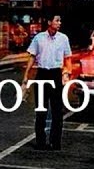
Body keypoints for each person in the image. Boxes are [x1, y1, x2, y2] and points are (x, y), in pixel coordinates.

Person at [24, 14, 73, 150]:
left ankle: (55, 142)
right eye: (57, 20)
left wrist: (66, 73)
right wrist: (26, 76)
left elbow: (68, 58)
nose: (59, 23)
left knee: (57, 111)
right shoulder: (39, 38)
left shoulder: (63, 39)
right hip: (42, 74)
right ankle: (40, 142)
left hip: (56, 74)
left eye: (60, 20)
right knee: (41, 110)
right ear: (49, 22)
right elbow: (32, 57)